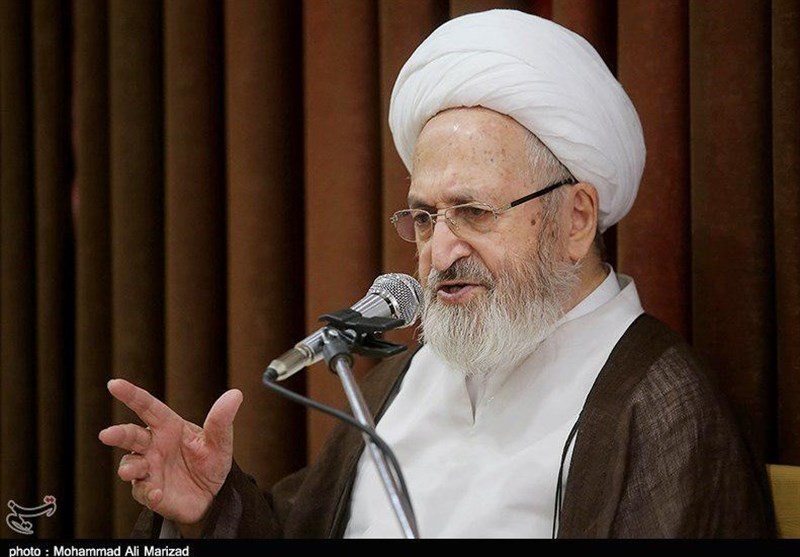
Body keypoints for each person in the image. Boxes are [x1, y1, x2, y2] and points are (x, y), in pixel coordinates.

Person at [99, 9, 775, 538]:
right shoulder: (405, 376)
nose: (440, 252)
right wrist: (211, 508)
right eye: (424, 217)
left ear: (575, 219)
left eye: (474, 211)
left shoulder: (661, 409)